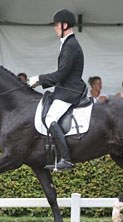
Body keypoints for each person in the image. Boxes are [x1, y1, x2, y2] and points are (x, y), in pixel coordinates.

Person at [28, 9, 87, 171]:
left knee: (49, 118)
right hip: (66, 89)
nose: (54, 28)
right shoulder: (68, 44)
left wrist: (39, 79)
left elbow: (61, 74)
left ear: (65, 25)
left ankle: (66, 159)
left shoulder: (71, 45)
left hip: (69, 91)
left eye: (56, 25)